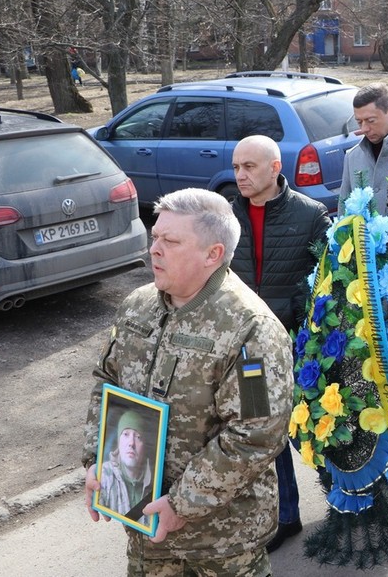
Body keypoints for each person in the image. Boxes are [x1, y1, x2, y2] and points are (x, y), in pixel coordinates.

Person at [82, 188, 293, 576]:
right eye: (154, 237)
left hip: (221, 542)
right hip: (145, 525)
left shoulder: (251, 330)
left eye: (171, 241)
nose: (154, 250)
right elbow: (106, 381)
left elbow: (256, 434)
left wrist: (181, 505)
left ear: (213, 254)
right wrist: (99, 460)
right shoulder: (137, 306)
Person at [229, 135, 331, 551]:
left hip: (297, 348)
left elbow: (327, 281)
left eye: (249, 167)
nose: (240, 176)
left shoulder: (310, 215)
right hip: (248, 351)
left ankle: (346, 501)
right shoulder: (226, 217)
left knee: (314, 427)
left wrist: (298, 317)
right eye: (236, 167)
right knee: (263, 430)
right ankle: (285, 514)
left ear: (274, 168)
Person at [339, 82, 388, 215]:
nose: (364, 129)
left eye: (371, 121)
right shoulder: (352, 157)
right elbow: (344, 212)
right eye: (359, 122)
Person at [98, 409, 154, 526]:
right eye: (126, 434)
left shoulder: (156, 480)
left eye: (138, 437)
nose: (131, 443)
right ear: (118, 441)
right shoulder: (104, 476)